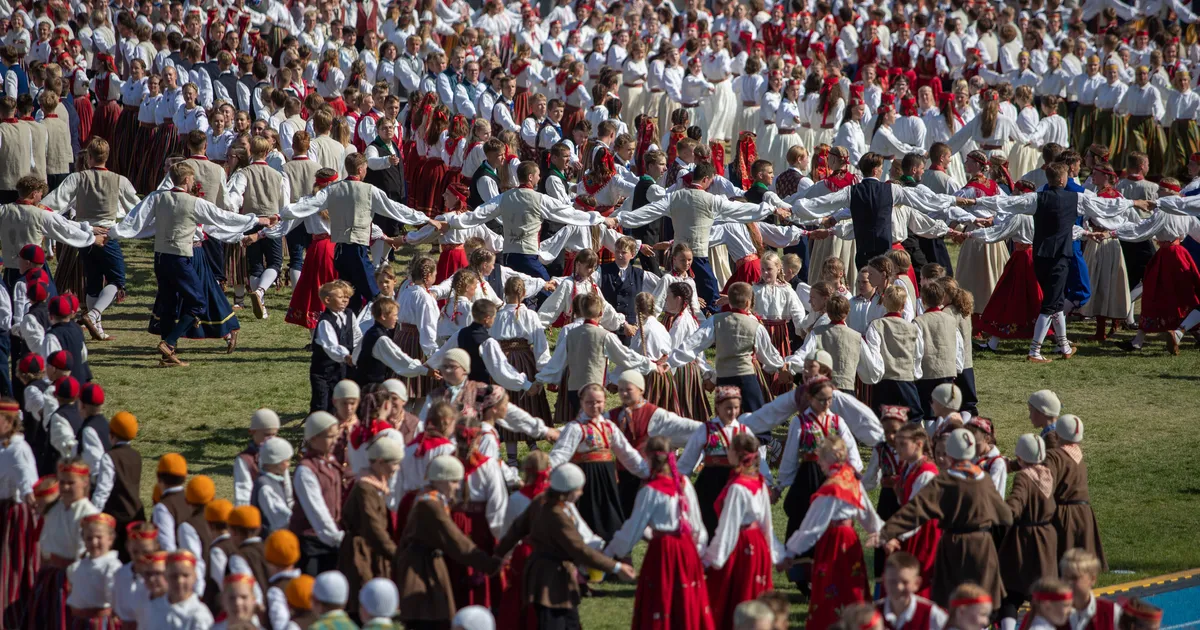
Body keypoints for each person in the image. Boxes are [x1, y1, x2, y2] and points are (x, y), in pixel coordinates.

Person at [969, 161, 1151, 362]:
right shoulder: (1075, 198)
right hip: (1059, 256)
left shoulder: (1037, 198)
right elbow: (1105, 206)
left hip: (1040, 256)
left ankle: (1064, 346)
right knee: (1050, 305)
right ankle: (1034, 351)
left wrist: (975, 201)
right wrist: (1134, 203)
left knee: (1055, 303)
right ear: (1063, 180)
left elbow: (1005, 203)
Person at [113, 162, 269, 366]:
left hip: (161, 257)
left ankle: (167, 355)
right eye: (193, 178)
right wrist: (256, 221)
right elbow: (223, 217)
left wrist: (112, 233)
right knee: (198, 303)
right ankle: (169, 343)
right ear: (187, 179)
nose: (194, 181)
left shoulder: (156, 197)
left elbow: (135, 220)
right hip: (181, 257)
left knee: (169, 304)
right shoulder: (194, 203)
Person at [279, 152, 444, 312]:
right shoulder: (369, 190)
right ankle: (389, 327)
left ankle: (352, 328)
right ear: (360, 169)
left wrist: (280, 214)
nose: (366, 171)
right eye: (365, 168)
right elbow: (395, 208)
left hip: (339, 253)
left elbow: (307, 205)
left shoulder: (332, 189)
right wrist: (425, 219)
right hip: (357, 250)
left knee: (351, 299)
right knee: (377, 296)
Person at [619, 161, 785, 308]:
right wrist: (771, 209)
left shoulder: (675, 196)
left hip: (679, 254)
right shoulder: (711, 200)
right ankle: (708, 320)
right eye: (710, 181)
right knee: (708, 292)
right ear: (706, 179)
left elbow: (649, 211)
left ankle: (691, 316)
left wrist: (620, 219)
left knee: (684, 290)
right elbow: (740, 209)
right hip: (697, 255)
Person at [880, 429, 1014, 607]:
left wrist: (887, 531)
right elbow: (1005, 515)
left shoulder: (945, 480)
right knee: (980, 601)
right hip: (982, 546)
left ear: (950, 452)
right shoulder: (983, 479)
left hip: (954, 544)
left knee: (951, 602)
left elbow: (916, 509)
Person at [495, 462, 637, 630]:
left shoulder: (545, 501)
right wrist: (616, 567)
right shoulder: (556, 514)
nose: (581, 493)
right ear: (568, 491)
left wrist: (497, 556)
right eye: (578, 490)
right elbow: (579, 549)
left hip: (554, 576)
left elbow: (515, 531)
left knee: (570, 622)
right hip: (550, 579)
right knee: (554, 623)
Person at [604, 435, 712, 630]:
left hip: (663, 552)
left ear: (648, 458)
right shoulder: (684, 483)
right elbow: (697, 524)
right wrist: (699, 552)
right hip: (687, 549)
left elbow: (633, 529)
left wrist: (608, 553)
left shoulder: (650, 491)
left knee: (661, 601)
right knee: (686, 601)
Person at [789, 153, 970, 269]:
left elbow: (823, 203)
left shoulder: (852, 191)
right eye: (881, 168)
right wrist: (954, 200)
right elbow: (925, 200)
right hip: (886, 253)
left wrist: (793, 209)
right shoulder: (891, 190)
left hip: (863, 252)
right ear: (876, 170)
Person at [39, 138, 139, 341]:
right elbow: (136, 209)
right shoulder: (119, 180)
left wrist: (40, 208)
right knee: (117, 279)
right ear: (107, 157)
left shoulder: (78, 178)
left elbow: (56, 199)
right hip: (107, 235)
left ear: (90, 157)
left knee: (93, 280)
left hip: (85, 236)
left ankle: (97, 328)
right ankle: (93, 315)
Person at [393, 455, 503, 628]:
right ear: (441, 480)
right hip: (421, 570)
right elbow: (455, 540)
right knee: (428, 618)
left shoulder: (430, 499)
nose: (457, 487)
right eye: (454, 481)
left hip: (425, 564)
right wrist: (490, 564)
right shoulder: (430, 505)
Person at [784, 437, 883, 630]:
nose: (819, 462)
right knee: (851, 583)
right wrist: (883, 533)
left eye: (821, 457)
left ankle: (829, 623)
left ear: (829, 458)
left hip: (833, 541)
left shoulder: (831, 488)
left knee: (830, 584)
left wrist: (790, 551)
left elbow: (812, 527)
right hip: (850, 540)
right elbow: (867, 514)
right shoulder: (852, 479)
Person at [998, 434, 1058, 630]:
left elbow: (1015, 505)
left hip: (1024, 540)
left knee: (1011, 592)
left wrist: (999, 511)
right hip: (1046, 537)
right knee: (1042, 591)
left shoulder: (1023, 477)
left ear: (1020, 456)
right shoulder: (1049, 472)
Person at [1046, 415, 1106, 571]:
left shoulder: (1054, 456)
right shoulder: (1078, 454)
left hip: (1065, 515)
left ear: (1057, 434)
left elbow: (1047, 486)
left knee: (1064, 566)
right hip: (1085, 513)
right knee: (1083, 567)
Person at [290, 411, 346, 576]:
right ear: (313, 438)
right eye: (330, 436)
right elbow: (316, 510)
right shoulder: (306, 471)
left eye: (336, 435)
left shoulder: (331, 463)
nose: (335, 440)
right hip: (311, 545)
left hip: (331, 539)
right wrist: (337, 538)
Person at [92, 411, 144, 561]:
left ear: (111, 435)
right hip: (136, 514)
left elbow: (103, 490)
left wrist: (93, 514)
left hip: (116, 519)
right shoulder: (136, 455)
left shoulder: (109, 457)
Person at [876, 551, 948, 630]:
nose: (898, 587)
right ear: (884, 580)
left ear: (917, 583)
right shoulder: (873, 612)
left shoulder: (931, 614)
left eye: (905, 582)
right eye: (892, 581)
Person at [143, 551, 215, 629]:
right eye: (174, 576)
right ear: (166, 576)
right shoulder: (153, 607)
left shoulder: (199, 615)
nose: (179, 581)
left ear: (194, 577)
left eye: (185, 575)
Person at [1060, 549, 1121, 630]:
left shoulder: (1111, 612)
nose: (1069, 583)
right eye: (1065, 577)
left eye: (1075, 578)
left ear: (1092, 579)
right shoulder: (1053, 613)